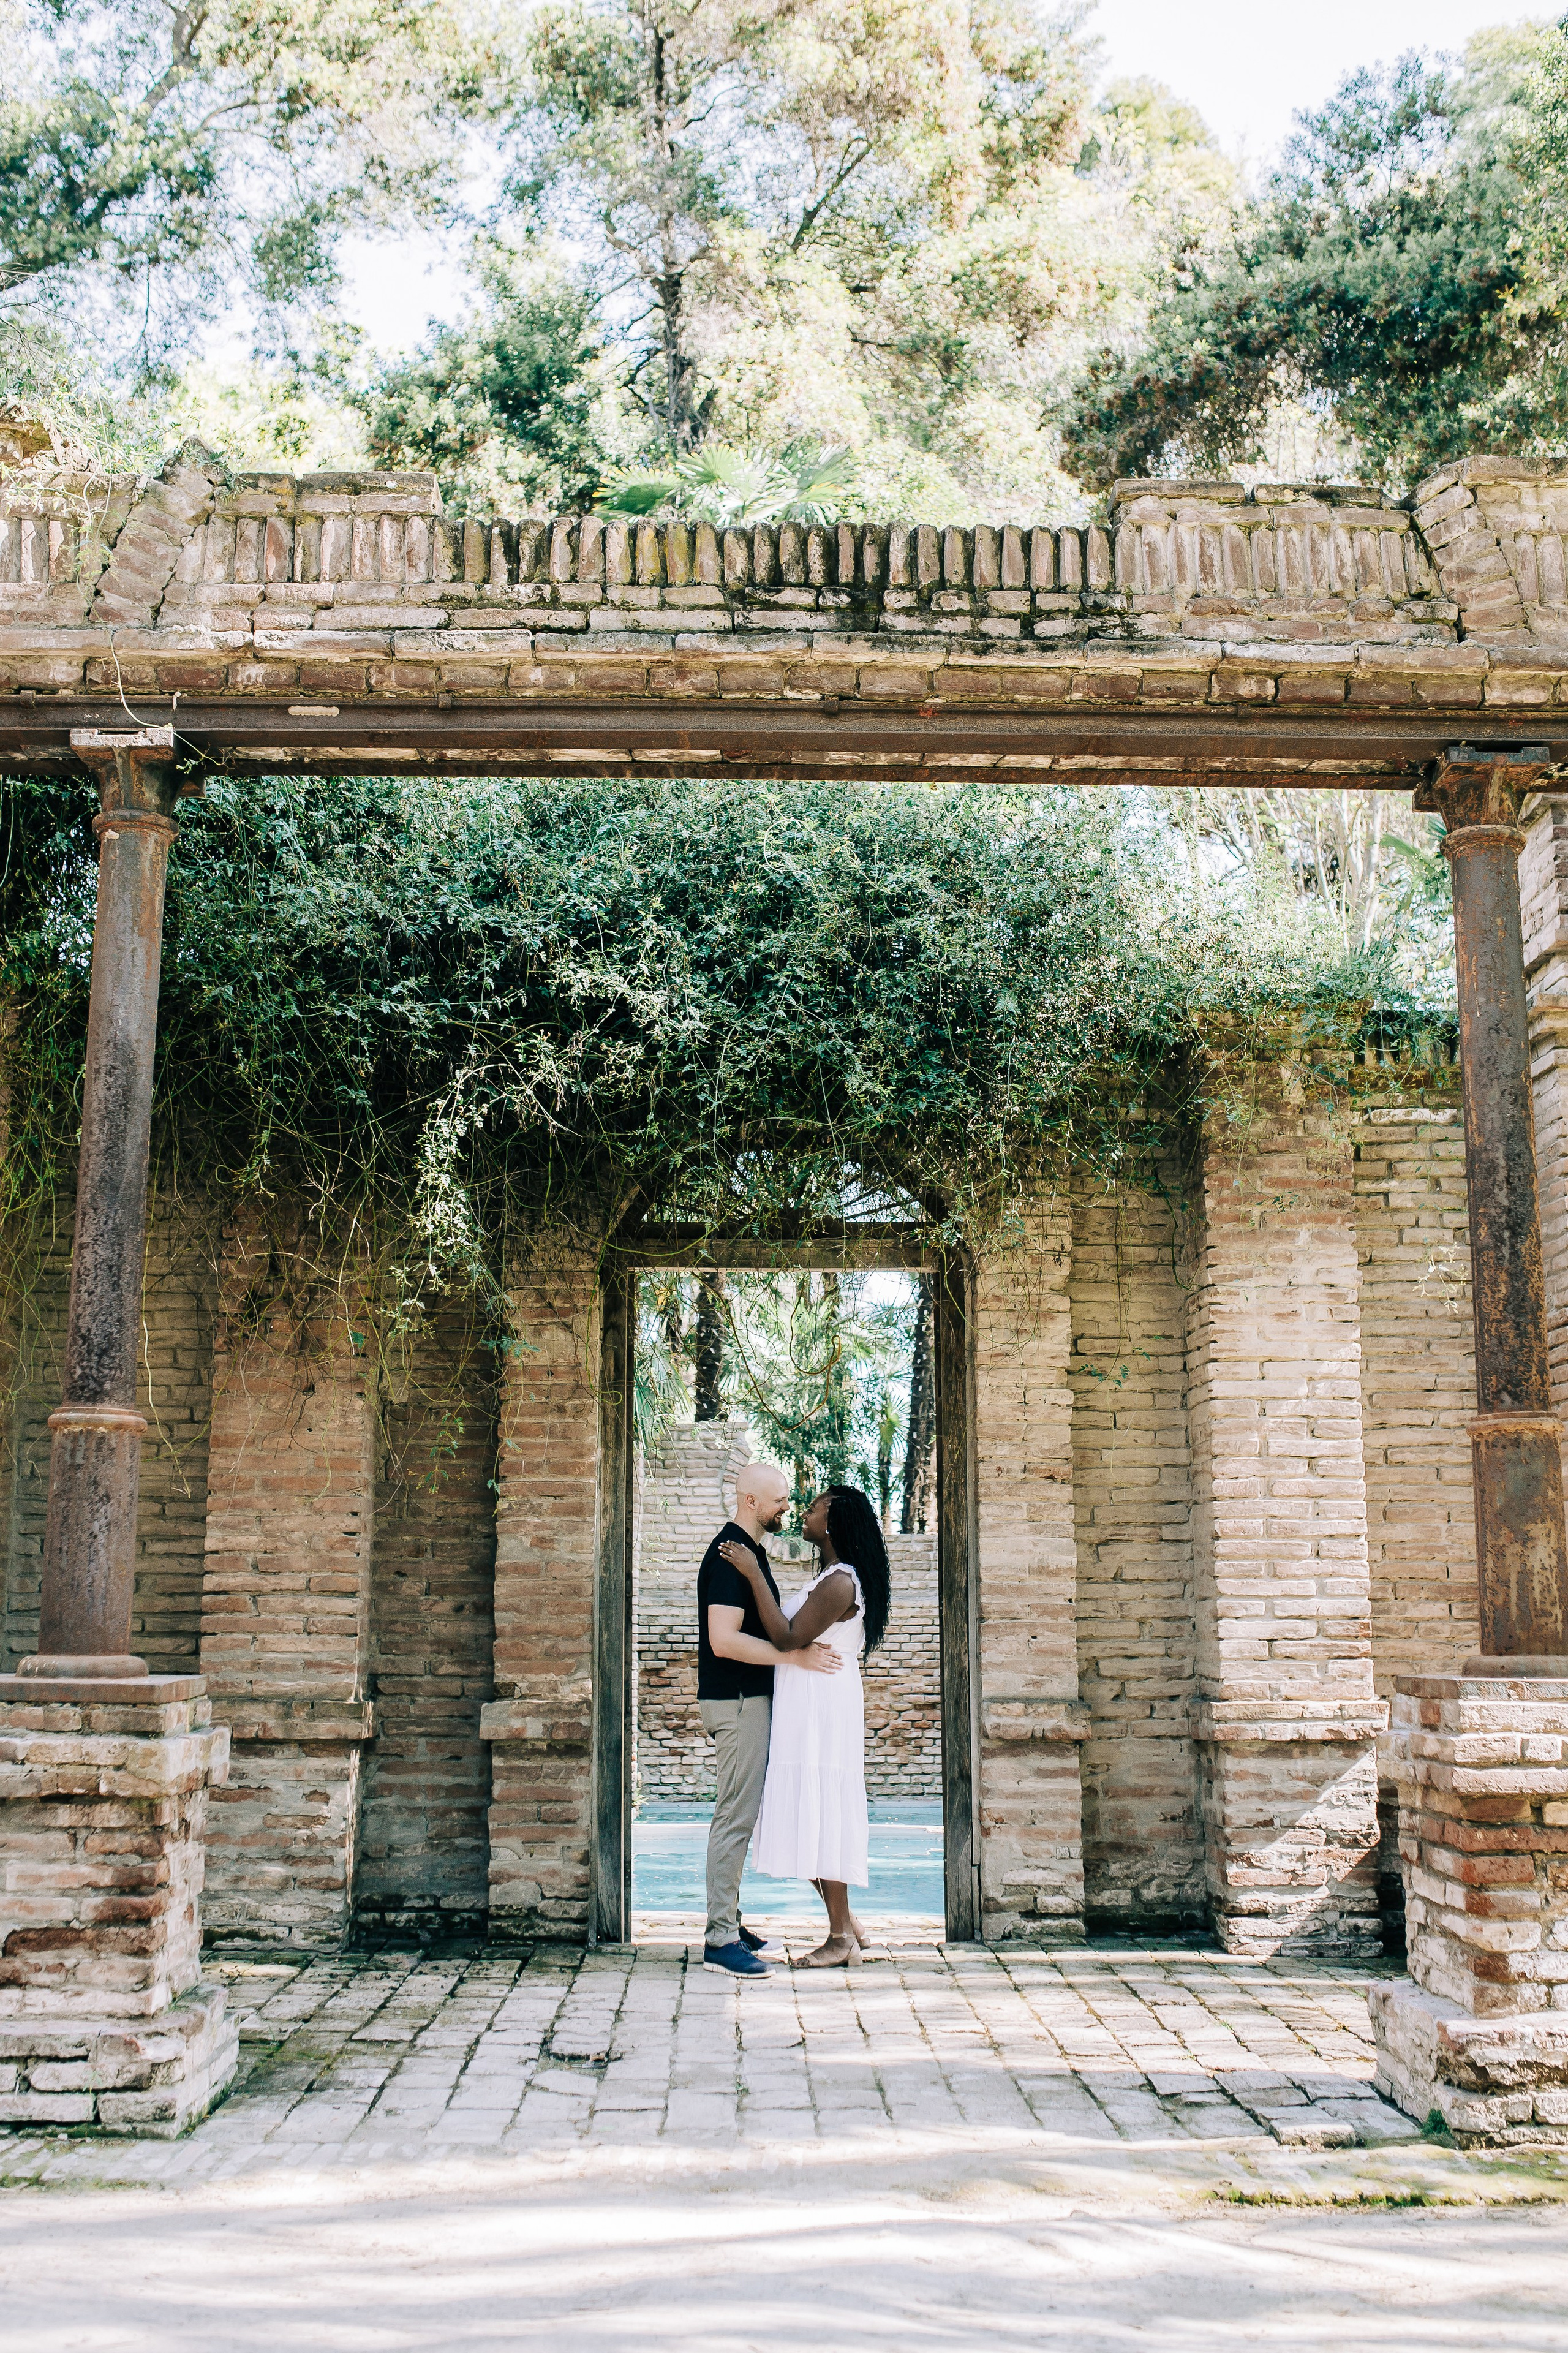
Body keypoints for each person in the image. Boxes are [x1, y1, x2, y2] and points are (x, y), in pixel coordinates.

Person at [720, 1484, 891, 1968]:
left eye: (814, 1508)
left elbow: (786, 1635)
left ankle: (840, 1938)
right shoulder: (833, 1577)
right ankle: (850, 1926)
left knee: (821, 1811)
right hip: (810, 1702)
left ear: (832, 1524)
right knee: (810, 1813)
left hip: (822, 1707)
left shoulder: (841, 1582)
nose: (804, 1512)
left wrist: (754, 1572)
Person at [697, 1460, 844, 1981]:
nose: (788, 1505)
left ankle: (731, 1924)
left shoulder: (751, 1553)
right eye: (780, 1498)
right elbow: (723, 1640)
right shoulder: (728, 1555)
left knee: (740, 1814)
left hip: (748, 1698)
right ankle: (720, 1941)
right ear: (752, 1501)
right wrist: (795, 1657)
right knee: (734, 1817)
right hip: (737, 1700)